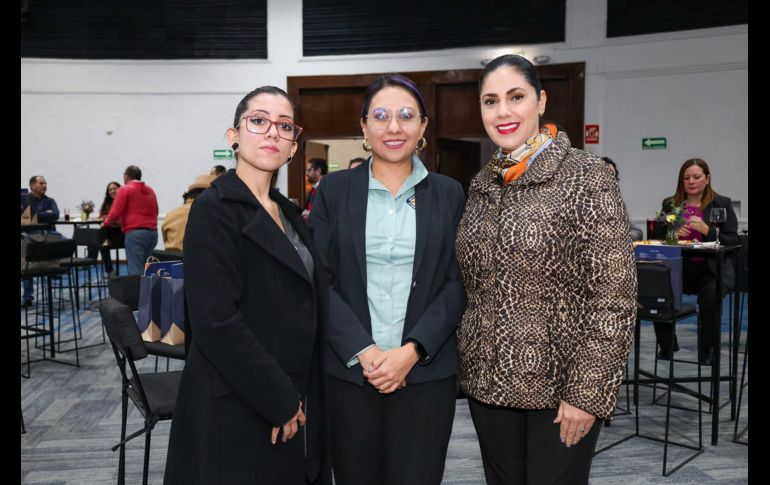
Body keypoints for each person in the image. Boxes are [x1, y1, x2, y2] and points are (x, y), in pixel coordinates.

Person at [454, 55, 636, 485]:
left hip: (560, 394)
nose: (503, 112)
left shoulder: (585, 174)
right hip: (488, 387)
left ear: (541, 100)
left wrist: (587, 394)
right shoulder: (481, 185)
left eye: (515, 97)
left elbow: (615, 296)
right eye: (490, 101)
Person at [164, 86, 331, 485]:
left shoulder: (288, 211)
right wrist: (280, 401)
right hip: (241, 398)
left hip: (294, 390)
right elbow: (216, 319)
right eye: (258, 121)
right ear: (234, 136)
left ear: (294, 142)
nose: (272, 132)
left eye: (284, 125)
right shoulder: (213, 209)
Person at [308, 74, 466, 485]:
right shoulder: (333, 192)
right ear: (364, 127)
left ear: (423, 127)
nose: (393, 127)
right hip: (350, 373)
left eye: (405, 116)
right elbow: (318, 278)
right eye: (380, 116)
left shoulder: (450, 194)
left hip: (426, 373)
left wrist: (412, 350)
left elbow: (459, 282)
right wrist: (364, 350)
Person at [652, 158, 739, 365]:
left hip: (712, 269)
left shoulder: (721, 203)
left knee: (709, 299)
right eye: (686, 178)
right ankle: (667, 345)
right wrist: (672, 231)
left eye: (696, 177)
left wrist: (708, 231)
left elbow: (733, 241)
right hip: (680, 268)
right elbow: (658, 235)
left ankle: (707, 352)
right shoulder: (670, 204)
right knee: (655, 290)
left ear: (707, 179)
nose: (691, 181)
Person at [101, 166, 158, 275]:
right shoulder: (150, 190)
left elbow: (115, 212)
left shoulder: (125, 189)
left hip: (135, 234)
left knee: (136, 271)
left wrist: (105, 223)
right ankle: (149, 291)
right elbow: (155, 210)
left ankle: (138, 292)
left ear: (126, 176)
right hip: (152, 233)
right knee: (148, 269)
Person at [20, 175, 60, 307]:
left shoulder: (50, 201)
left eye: (45, 183)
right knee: (25, 257)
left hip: (48, 234)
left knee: (64, 241)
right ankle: (28, 297)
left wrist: (37, 215)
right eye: (41, 183)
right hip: (29, 235)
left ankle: (54, 269)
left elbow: (55, 214)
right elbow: (25, 217)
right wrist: (44, 214)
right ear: (32, 186)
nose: (44, 185)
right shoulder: (25, 199)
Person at [161, 174, 215, 252]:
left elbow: (165, 239)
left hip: (171, 260)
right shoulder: (211, 216)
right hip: (197, 261)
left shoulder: (171, 214)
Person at [601, 156, 643, 241]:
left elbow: (637, 232)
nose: (612, 182)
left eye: (614, 178)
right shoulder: (583, 203)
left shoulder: (617, 203)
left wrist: (618, 235)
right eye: (607, 177)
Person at [86, 181, 122, 277]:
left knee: (99, 236)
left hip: (122, 234)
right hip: (109, 233)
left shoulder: (124, 200)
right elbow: (101, 216)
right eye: (110, 190)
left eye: (115, 188)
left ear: (120, 189)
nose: (113, 191)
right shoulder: (107, 203)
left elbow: (120, 219)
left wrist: (108, 219)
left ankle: (90, 259)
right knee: (102, 244)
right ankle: (110, 272)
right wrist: (108, 218)